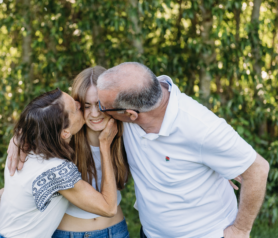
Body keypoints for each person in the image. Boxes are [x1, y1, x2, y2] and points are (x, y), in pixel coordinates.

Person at [95, 62, 270, 238]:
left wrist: (241, 229)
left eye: (102, 107)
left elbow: (258, 169)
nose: (99, 111)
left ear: (131, 114)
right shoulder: (138, 94)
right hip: (150, 234)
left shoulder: (202, 127)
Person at [0, 67, 131, 238]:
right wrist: (19, 137)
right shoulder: (58, 145)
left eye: (100, 104)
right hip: (66, 232)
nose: (94, 113)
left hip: (114, 230)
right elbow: (39, 180)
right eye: (84, 105)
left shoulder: (126, 130)